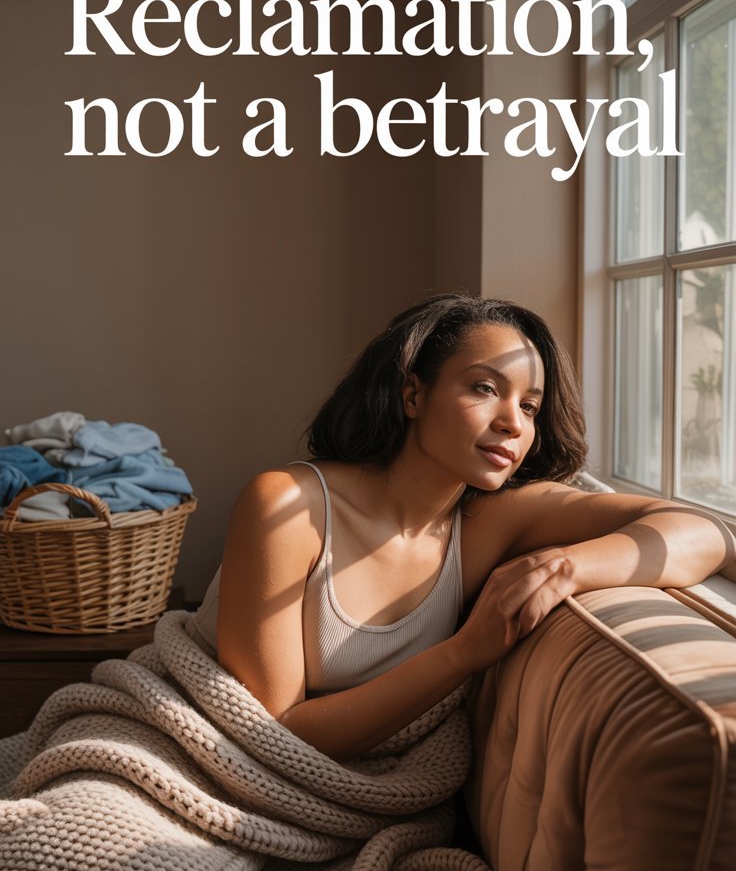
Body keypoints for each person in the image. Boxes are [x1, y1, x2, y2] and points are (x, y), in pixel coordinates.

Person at [193, 292, 735, 762]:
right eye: (483, 388)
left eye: (529, 406)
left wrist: (565, 568)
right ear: (413, 394)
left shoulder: (492, 519)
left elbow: (703, 531)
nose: (513, 423)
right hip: (207, 747)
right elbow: (270, 737)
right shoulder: (288, 505)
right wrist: (465, 652)